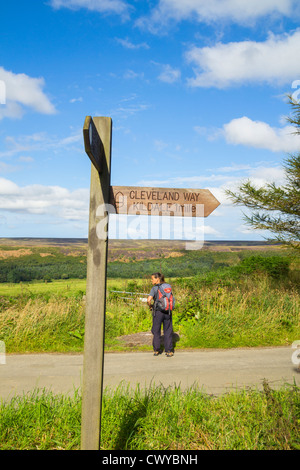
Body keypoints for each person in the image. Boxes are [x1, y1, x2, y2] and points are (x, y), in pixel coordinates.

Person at [147, 272, 174, 357]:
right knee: (168, 330)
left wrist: (150, 306)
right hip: (168, 311)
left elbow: (148, 300)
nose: (151, 280)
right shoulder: (168, 286)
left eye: (152, 279)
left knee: (156, 330)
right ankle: (169, 351)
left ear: (157, 279)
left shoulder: (154, 288)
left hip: (158, 312)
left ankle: (156, 350)